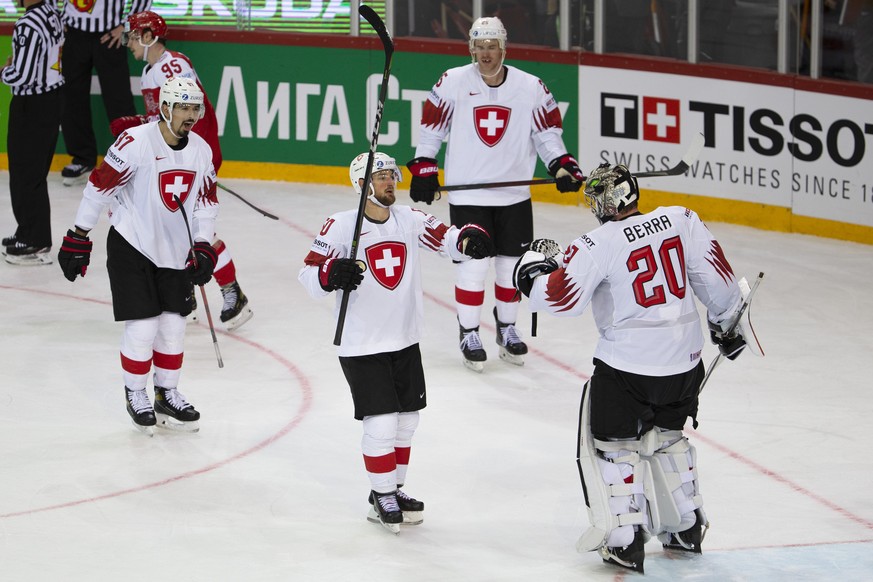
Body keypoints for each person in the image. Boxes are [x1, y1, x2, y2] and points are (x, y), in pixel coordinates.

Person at [512, 163, 761, 573]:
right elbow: (718, 282)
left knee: (614, 447)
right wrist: (725, 323)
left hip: (628, 369)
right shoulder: (680, 219)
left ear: (603, 204)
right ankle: (685, 526)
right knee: (667, 438)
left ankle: (624, 539)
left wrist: (531, 272)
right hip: (685, 366)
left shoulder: (597, 243)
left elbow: (561, 299)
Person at [298, 151, 493, 534]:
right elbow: (307, 275)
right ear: (361, 185)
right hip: (362, 343)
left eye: (392, 175)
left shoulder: (409, 219)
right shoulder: (342, 226)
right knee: (383, 422)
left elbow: (450, 239)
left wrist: (471, 238)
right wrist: (331, 273)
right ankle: (381, 494)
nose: (390, 182)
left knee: (407, 421)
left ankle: (394, 489)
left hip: (404, 339)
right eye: (381, 176)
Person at [406, 16, 584, 373]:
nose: (486, 54)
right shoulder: (453, 81)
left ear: (504, 48)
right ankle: (469, 331)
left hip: (513, 195)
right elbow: (431, 129)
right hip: (468, 195)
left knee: (510, 269)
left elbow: (547, 134)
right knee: (472, 268)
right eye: (480, 47)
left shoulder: (531, 86)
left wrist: (561, 166)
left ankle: (506, 328)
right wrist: (425, 167)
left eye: (492, 46)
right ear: (471, 48)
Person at [57, 77, 219, 436]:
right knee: (145, 326)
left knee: (174, 328)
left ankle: (166, 392)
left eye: (195, 108)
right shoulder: (134, 143)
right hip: (133, 245)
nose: (191, 115)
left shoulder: (201, 151)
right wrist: (78, 235)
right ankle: (135, 393)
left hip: (175, 251)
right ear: (165, 107)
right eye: (183, 107)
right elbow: (99, 186)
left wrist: (203, 245)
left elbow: (207, 203)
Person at [110, 10, 253, 331]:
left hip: (193, 157)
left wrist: (191, 162)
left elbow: (189, 118)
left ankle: (232, 292)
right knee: (174, 228)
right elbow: (163, 121)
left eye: (133, 36)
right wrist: (140, 125)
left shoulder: (174, 66)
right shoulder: (152, 71)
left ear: (149, 37)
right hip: (177, 157)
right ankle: (184, 294)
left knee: (196, 231)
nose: (129, 43)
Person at [59, 0, 150, 186]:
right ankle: (82, 159)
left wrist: (126, 26)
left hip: (110, 33)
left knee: (119, 100)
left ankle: (130, 160)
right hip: (74, 33)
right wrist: (57, 20)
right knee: (72, 98)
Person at [1, 0, 64, 265]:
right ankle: (29, 231)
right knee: (33, 172)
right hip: (51, 99)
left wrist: (5, 71)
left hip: (32, 104)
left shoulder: (27, 23)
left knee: (25, 172)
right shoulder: (52, 13)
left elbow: (22, 75)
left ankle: (34, 240)